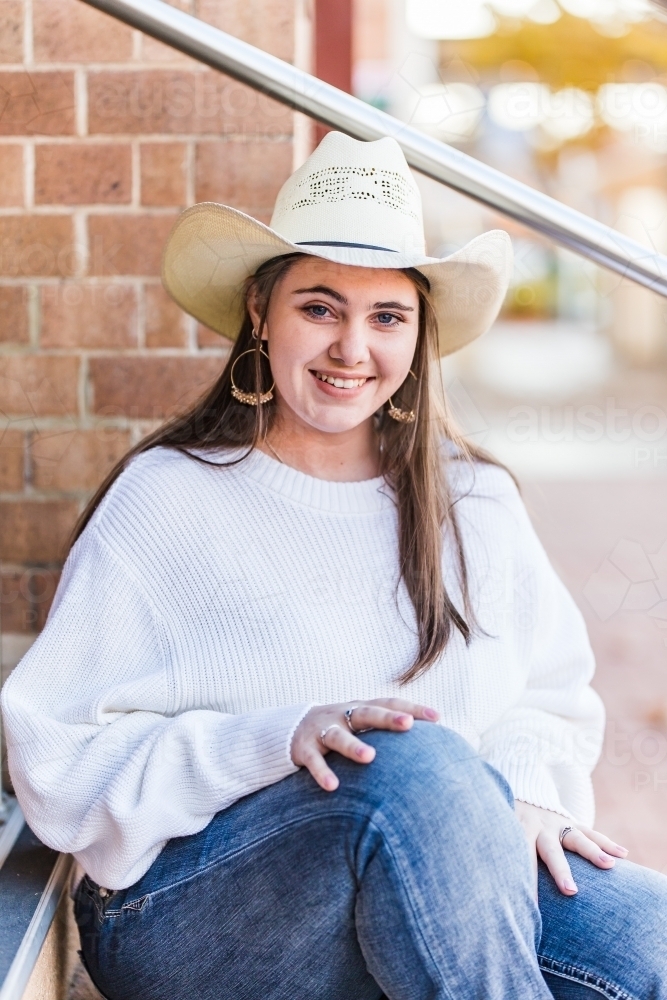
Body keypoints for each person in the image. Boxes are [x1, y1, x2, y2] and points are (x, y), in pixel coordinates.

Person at [2, 132, 666, 1000]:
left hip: (437, 869)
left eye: (386, 316)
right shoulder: (168, 499)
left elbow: (545, 696)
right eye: (319, 308)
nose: (352, 348)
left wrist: (535, 793)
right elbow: (58, 764)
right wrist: (276, 739)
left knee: (646, 936)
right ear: (258, 309)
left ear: (418, 333)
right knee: (406, 763)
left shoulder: (471, 502)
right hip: (190, 913)